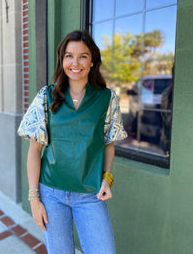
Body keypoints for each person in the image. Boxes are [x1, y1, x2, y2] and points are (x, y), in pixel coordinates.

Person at [18, 30, 127, 254]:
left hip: (90, 194)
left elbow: (108, 144)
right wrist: (34, 198)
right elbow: (34, 150)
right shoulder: (45, 97)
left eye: (83, 56)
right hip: (50, 194)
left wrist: (107, 179)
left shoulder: (106, 99)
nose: (75, 63)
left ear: (92, 61)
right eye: (69, 56)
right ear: (62, 59)